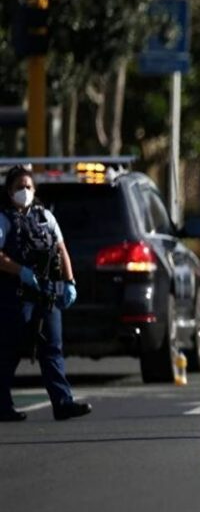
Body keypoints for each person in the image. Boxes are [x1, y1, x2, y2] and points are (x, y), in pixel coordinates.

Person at [0, 165, 91, 422]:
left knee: (52, 349)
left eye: (28, 186)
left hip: (46, 293)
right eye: (19, 187)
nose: (25, 191)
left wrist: (69, 282)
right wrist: (21, 272)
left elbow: (61, 249)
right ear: (10, 192)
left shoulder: (45, 217)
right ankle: (2, 405)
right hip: (15, 296)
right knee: (8, 351)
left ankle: (63, 403)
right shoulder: (3, 220)